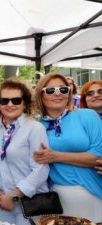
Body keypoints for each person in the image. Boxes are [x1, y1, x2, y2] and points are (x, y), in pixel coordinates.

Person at [33, 73, 102, 222]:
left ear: (69, 94)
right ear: (41, 95)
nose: (57, 93)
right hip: (57, 196)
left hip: (94, 192)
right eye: (50, 90)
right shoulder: (36, 126)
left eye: (63, 89)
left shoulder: (87, 116)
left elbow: (98, 156)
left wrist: (56, 156)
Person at [0, 79, 49, 225]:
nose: (10, 104)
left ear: (25, 103)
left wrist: (14, 196)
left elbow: (41, 169)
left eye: (16, 100)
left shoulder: (35, 128)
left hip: (30, 201)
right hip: (2, 202)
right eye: (4, 100)